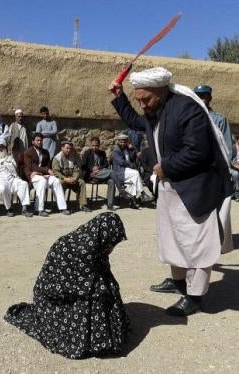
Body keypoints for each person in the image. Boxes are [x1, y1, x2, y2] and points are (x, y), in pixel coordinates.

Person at [110, 67, 233, 316]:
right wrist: (120, 97)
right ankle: (179, 283)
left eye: (146, 99)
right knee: (174, 240)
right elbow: (136, 122)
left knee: (197, 244)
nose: (143, 105)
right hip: (171, 187)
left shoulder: (187, 109)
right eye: (139, 100)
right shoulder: (156, 110)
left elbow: (198, 151)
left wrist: (165, 166)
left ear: (161, 90)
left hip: (195, 189)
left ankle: (195, 296)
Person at [4, 212, 129, 359]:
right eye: (111, 244)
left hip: (75, 290)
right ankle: (92, 341)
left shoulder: (95, 246)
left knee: (108, 289)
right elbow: (70, 287)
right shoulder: (75, 248)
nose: (111, 249)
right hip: (57, 298)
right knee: (99, 294)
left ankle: (103, 336)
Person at [23, 132, 70, 216]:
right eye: (37, 140)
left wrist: (45, 171)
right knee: (42, 181)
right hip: (32, 175)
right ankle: (39, 209)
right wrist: (45, 170)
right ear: (33, 141)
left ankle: (62, 207)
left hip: (44, 175)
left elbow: (48, 165)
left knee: (56, 181)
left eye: (41, 140)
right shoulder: (28, 153)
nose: (40, 142)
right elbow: (31, 167)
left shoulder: (45, 152)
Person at [0, 138, 33, 217]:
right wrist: (3, 166)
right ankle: (9, 208)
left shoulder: (9, 157)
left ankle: (25, 208)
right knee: (3, 188)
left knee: (23, 184)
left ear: (4, 148)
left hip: (12, 178)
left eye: (1, 147)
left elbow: (14, 168)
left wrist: (4, 165)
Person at [112, 133, 152, 209]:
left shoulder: (126, 148)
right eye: (121, 142)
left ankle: (132, 202)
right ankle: (142, 193)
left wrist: (133, 148)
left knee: (134, 179)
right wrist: (130, 164)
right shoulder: (116, 151)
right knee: (136, 173)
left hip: (127, 171)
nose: (122, 143)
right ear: (118, 142)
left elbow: (134, 154)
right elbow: (121, 162)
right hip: (120, 172)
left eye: (124, 142)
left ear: (127, 142)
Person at [80, 137, 120, 210]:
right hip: (91, 175)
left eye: (96, 146)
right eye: (93, 145)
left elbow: (106, 164)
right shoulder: (87, 153)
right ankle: (121, 189)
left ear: (99, 145)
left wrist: (99, 168)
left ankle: (110, 205)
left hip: (101, 174)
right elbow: (83, 165)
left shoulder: (102, 153)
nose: (95, 147)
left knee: (111, 181)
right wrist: (92, 168)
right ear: (90, 145)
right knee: (111, 172)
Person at [52, 140, 91, 212]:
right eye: (67, 148)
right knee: (60, 183)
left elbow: (77, 170)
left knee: (81, 182)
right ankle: (62, 207)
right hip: (63, 179)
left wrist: (75, 178)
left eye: (70, 148)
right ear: (62, 148)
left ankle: (82, 205)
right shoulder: (57, 158)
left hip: (72, 179)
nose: (69, 150)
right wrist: (65, 178)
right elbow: (56, 172)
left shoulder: (73, 157)